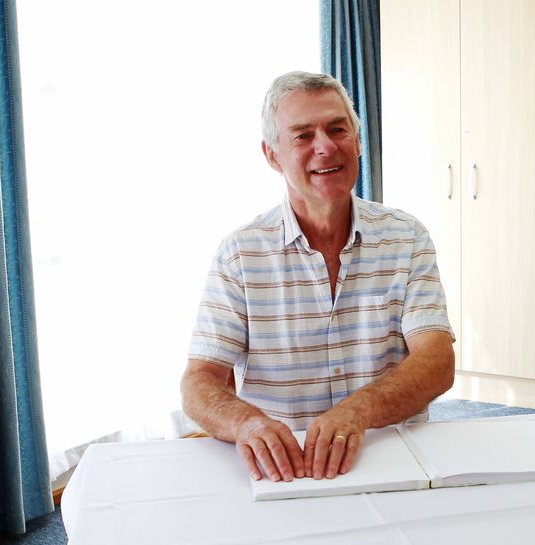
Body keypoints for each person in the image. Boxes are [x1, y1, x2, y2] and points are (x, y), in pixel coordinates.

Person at [180, 71, 455, 484]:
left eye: (337, 129)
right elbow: (199, 381)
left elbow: (437, 361)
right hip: (286, 469)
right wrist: (247, 425)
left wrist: (358, 411)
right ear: (273, 155)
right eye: (303, 135)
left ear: (358, 143)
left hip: (392, 456)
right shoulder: (240, 253)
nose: (325, 147)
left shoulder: (407, 236)